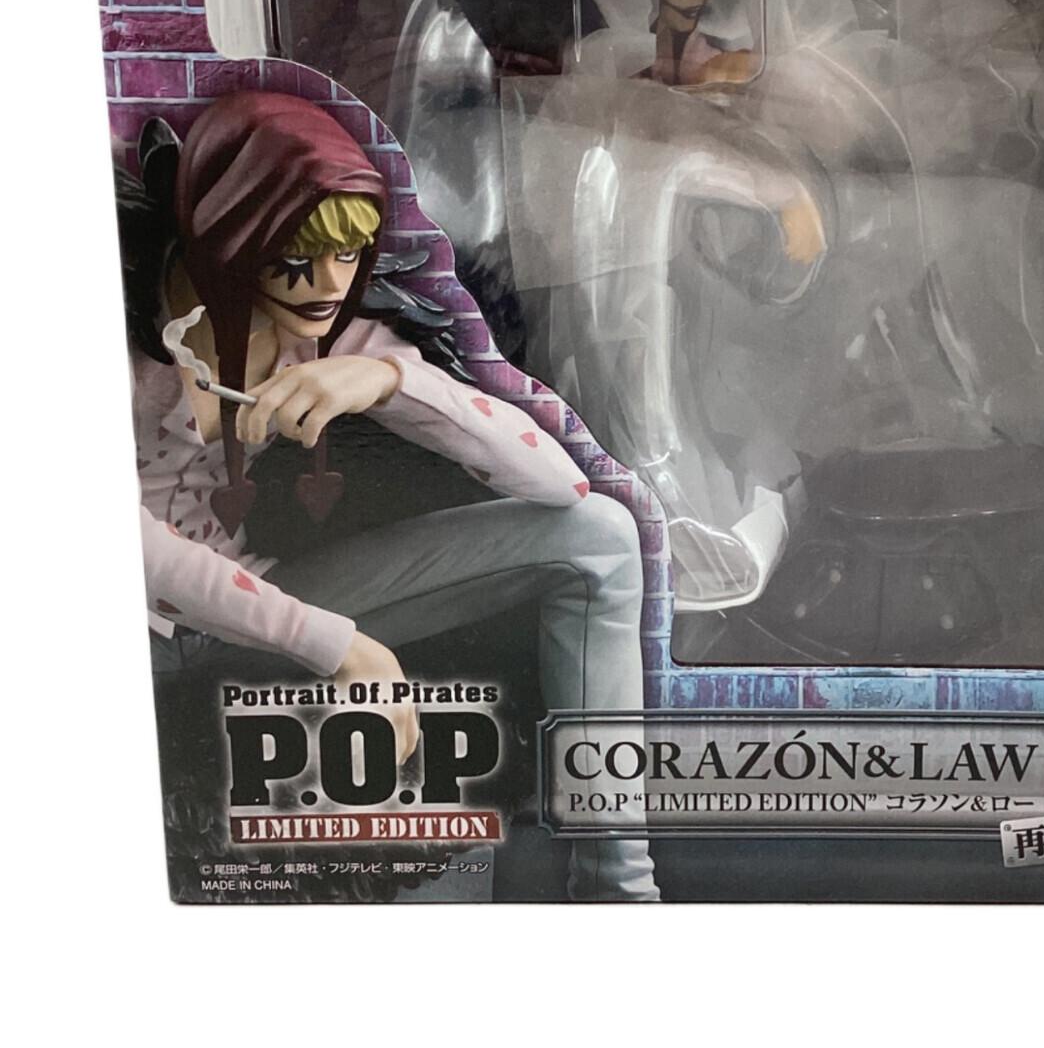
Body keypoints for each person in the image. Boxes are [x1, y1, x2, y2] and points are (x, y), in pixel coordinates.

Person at [122, 89, 657, 900]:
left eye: (348, 254)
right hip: (118, 641)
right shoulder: (111, 328)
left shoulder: (326, 331)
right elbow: (117, 543)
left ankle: (621, 893)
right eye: (298, 258)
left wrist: (386, 379)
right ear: (231, 232)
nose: (327, 285)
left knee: (603, 537)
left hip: (252, 610)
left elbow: (560, 482)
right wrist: (338, 646)